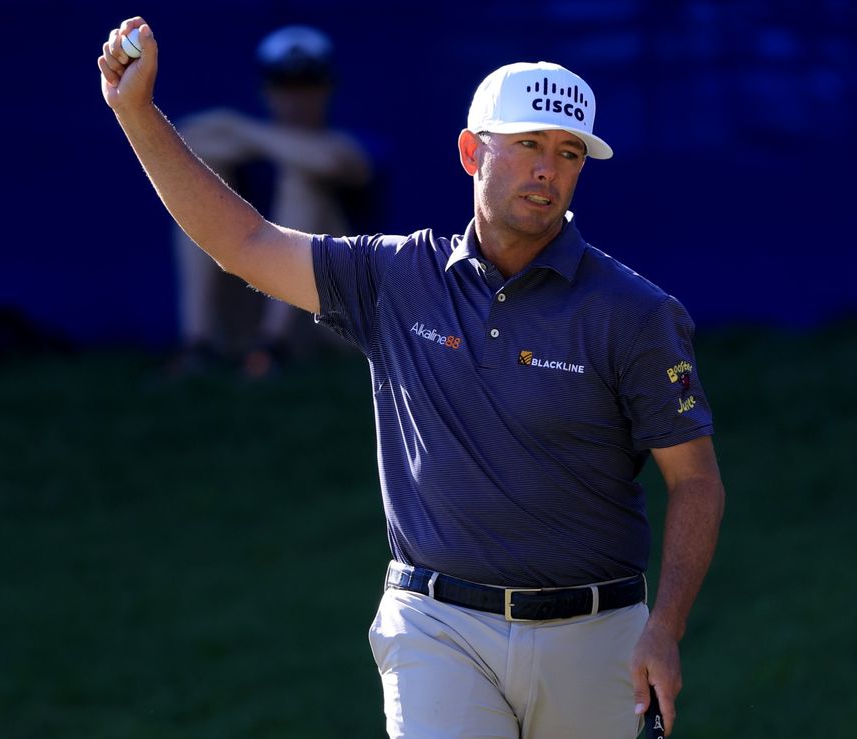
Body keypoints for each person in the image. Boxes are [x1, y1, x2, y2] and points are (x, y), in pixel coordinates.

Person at [99, 17, 725, 738]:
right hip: (437, 626)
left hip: (599, 632)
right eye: (527, 145)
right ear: (471, 151)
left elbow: (697, 480)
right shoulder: (395, 276)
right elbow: (244, 243)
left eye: (568, 152)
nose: (548, 170)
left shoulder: (636, 311)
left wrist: (665, 626)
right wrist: (136, 113)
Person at [168, 25, 374, 379]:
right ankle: (196, 344)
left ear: (327, 89)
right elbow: (178, 150)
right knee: (198, 188)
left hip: (333, 323)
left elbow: (332, 161)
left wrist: (236, 127)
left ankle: (270, 347)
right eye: (285, 87)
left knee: (303, 182)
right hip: (242, 310)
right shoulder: (242, 153)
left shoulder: (350, 144)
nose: (296, 100)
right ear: (267, 91)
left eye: (307, 86)